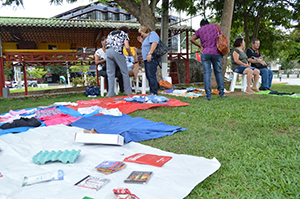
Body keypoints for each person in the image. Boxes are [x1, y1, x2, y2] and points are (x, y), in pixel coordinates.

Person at [190, 19, 227, 100]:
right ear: (208, 23)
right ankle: (221, 93)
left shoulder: (200, 30)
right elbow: (222, 38)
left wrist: (200, 46)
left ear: (201, 25)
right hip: (217, 53)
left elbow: (191, 39)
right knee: (218, 72)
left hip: (205, 53)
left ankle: (208, 95)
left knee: (207, 73)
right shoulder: (216, 27)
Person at [106, 26, 133, 97]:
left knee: (110, 74)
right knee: (124, 72)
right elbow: (127, 47)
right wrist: (130, 53)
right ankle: (128, 91)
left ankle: (110, 93)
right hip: (117, 51)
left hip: (108, 52)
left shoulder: (111, 33)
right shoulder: (124, 34)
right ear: (127, 32)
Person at [137, 25, 161, 95]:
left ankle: (154, 91)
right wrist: (142, 42)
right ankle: (152, 90)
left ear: (145, 31)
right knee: (149, 75)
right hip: (147, 59)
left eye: (141, 32)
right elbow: (147, 46)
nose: (141, 34)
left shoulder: (152, 34)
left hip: (152, 58)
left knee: (151, 75)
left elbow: (154, 43)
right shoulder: (148, 37)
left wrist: (150, 53)